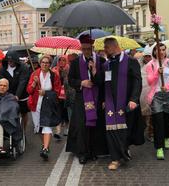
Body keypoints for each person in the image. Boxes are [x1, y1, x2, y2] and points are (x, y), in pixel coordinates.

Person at [66, 34, 108, 164]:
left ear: (92, 47)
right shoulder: (75, 63)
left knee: (95, 125)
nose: (85, 52)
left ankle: (93, 151)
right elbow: (70, 80)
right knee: (82, 126)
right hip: (81, 99)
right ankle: (83, 153)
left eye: (88, 49)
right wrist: (81, 83)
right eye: (83, 49)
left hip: (98, 97)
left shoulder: (101, 62)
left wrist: (95, 72)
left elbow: (104, 81)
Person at [103, 38, 144, 170]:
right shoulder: (108, 64)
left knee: (124, 131)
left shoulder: (131, 62)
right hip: (110, 103)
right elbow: (104, 82)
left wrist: (134, 99)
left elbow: (137, 81)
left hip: (127, 103)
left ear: (114, 46)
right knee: (112, 130)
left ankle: (123, 152)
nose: (105, 51)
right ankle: (116, 158)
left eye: (106, 48)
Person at [146, 43, 169, 160]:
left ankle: (167, 137)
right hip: (156, 96)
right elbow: (150, 81)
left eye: (163, 50)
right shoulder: (150, 65)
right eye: (158, 50)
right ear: (154, 51)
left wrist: (168, 86)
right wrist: (157, 73)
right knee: (158, 122)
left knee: (167, 121)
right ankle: (159, 147)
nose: (161, 52)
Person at [27, 55, 61, 161]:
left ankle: (45, 148)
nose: (45, 64)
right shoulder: (35, 74)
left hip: (48, 104)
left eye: (47, 63)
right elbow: (29, 91)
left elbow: (57, 92)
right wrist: (34, 83)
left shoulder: (54, 75)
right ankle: (44, 144)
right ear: (40, 63)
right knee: (38, 128)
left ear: (50, 64)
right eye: (43, 62)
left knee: (46, 125)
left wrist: (46, 93)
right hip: (35, 104)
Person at [0, 51, 30, 131]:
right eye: (8, 61)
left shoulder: (24, 67)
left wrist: (17, 95)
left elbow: (22, 82)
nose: (10, 63)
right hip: (8, 94)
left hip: (22, 95)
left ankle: (23, 131)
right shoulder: (3, 68)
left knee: (23, 113)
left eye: (12, 61)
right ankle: (11, 130)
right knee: (9, 112)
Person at [52, 55, 70, 139]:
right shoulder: (54, 70)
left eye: (63, 60)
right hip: (57, 95)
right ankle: (58, 131)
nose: (61, 62)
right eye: (60, 60)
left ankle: (67, 128)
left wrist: (64, 73)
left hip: (67, 95)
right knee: (58, 113)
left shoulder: (69, 69)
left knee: (66, 113)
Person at [139, 46, 154, 142]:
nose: (147, 58)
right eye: (146, 56)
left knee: (152, 114)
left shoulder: (154, 66)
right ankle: (141, 132)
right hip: (141, 93)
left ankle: (150, 133)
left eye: (149, 56)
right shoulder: (139, 65)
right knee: (142, 115)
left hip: (152, 92)